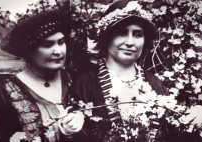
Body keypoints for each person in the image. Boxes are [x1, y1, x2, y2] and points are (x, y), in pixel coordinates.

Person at [71, 0, 202, 142]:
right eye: (121, 33)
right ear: (106, 37)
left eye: (137, 34)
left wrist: (193, 119)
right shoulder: (85, 84)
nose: (130, 42)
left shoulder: (154, 84)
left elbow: (172, 135)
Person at [0, 10, 85, 142]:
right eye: (47, 45)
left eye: (61, 42)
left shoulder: (77, 80)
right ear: (29, 51)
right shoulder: (1, 94)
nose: (58, 51)